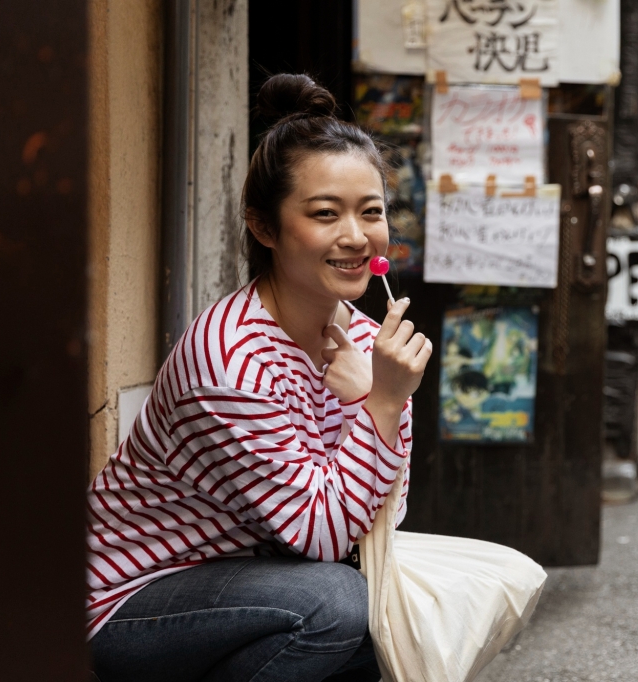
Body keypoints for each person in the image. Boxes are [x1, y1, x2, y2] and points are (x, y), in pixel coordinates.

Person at [87, 73, 432, 682]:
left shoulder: (357, 334)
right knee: (335, 605)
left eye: (371, 212)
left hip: (250, 575)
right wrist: (382, 402)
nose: (356, 237)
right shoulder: (229, 362)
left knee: (373, 621)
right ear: (264, 227)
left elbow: (383, 514)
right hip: (128, 601)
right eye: (325, 214)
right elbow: (324, 537)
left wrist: (377, 396)